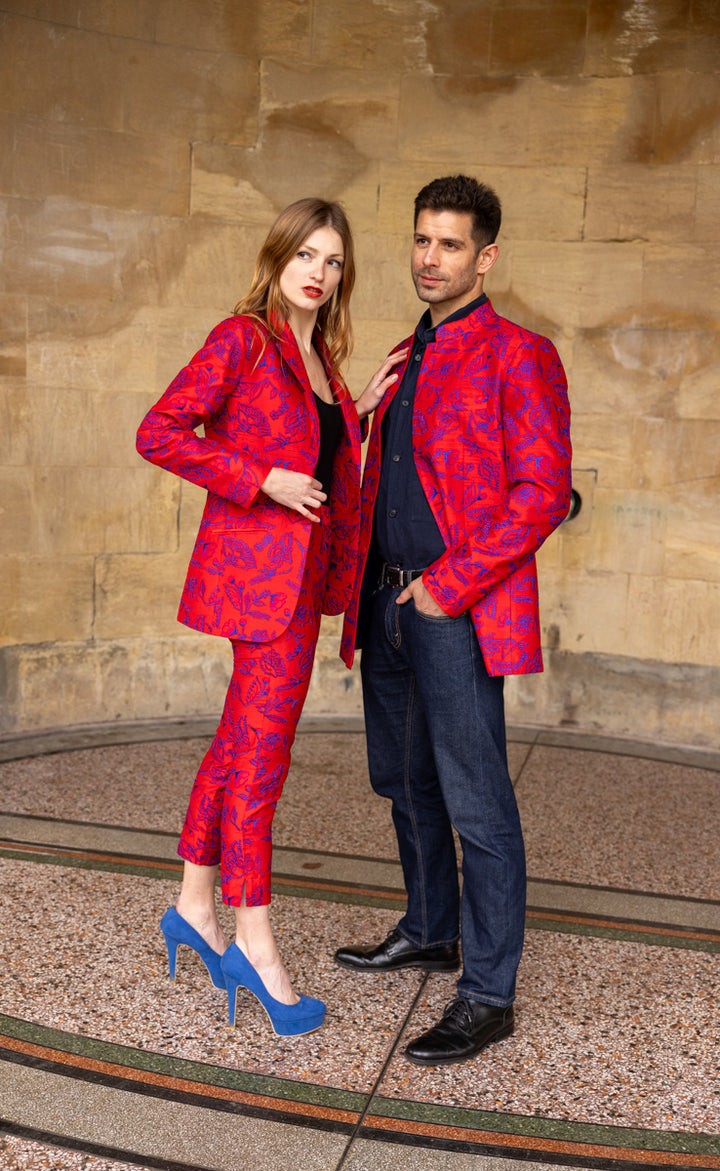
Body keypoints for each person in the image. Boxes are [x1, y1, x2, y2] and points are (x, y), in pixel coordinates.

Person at [136, 198, 404, 1037]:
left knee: (237, 744)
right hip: (260, 586)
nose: (319, 272)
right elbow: (161, 431)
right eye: (307, 255)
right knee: (262, 762)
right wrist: (262, 479)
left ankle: (190, 903)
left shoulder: (318, 355)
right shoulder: (241, 337)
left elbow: (317, 447)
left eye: (334, 261)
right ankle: (253, 938)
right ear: (278, 255)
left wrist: (353, 414)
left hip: (299, 586)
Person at [334, 175, 572, 1065]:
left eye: (450, 244)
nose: (430, 258)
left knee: (476, 800)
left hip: (452, 608)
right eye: (423, 240)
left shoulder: (522, 355)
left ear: (487, 256)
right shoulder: (406, 353)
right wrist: (358, 415)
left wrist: (450, 583)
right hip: (385, 600)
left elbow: (542, 492)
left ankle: (487, 993)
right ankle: (431, 928)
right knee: (404, 781)